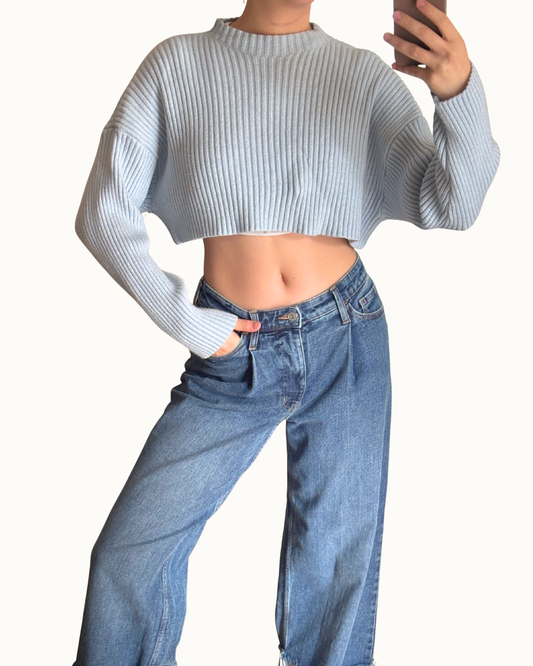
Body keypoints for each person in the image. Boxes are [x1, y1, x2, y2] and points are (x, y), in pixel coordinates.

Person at [72, 0, 500, 665]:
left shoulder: (358, 75)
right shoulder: (176, 66)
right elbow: (102, 213)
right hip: (230, 350)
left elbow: (454, 203)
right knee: (129, 555)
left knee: (333, 568)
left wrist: (458, 92)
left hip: (345, 337)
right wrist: (187, 320)